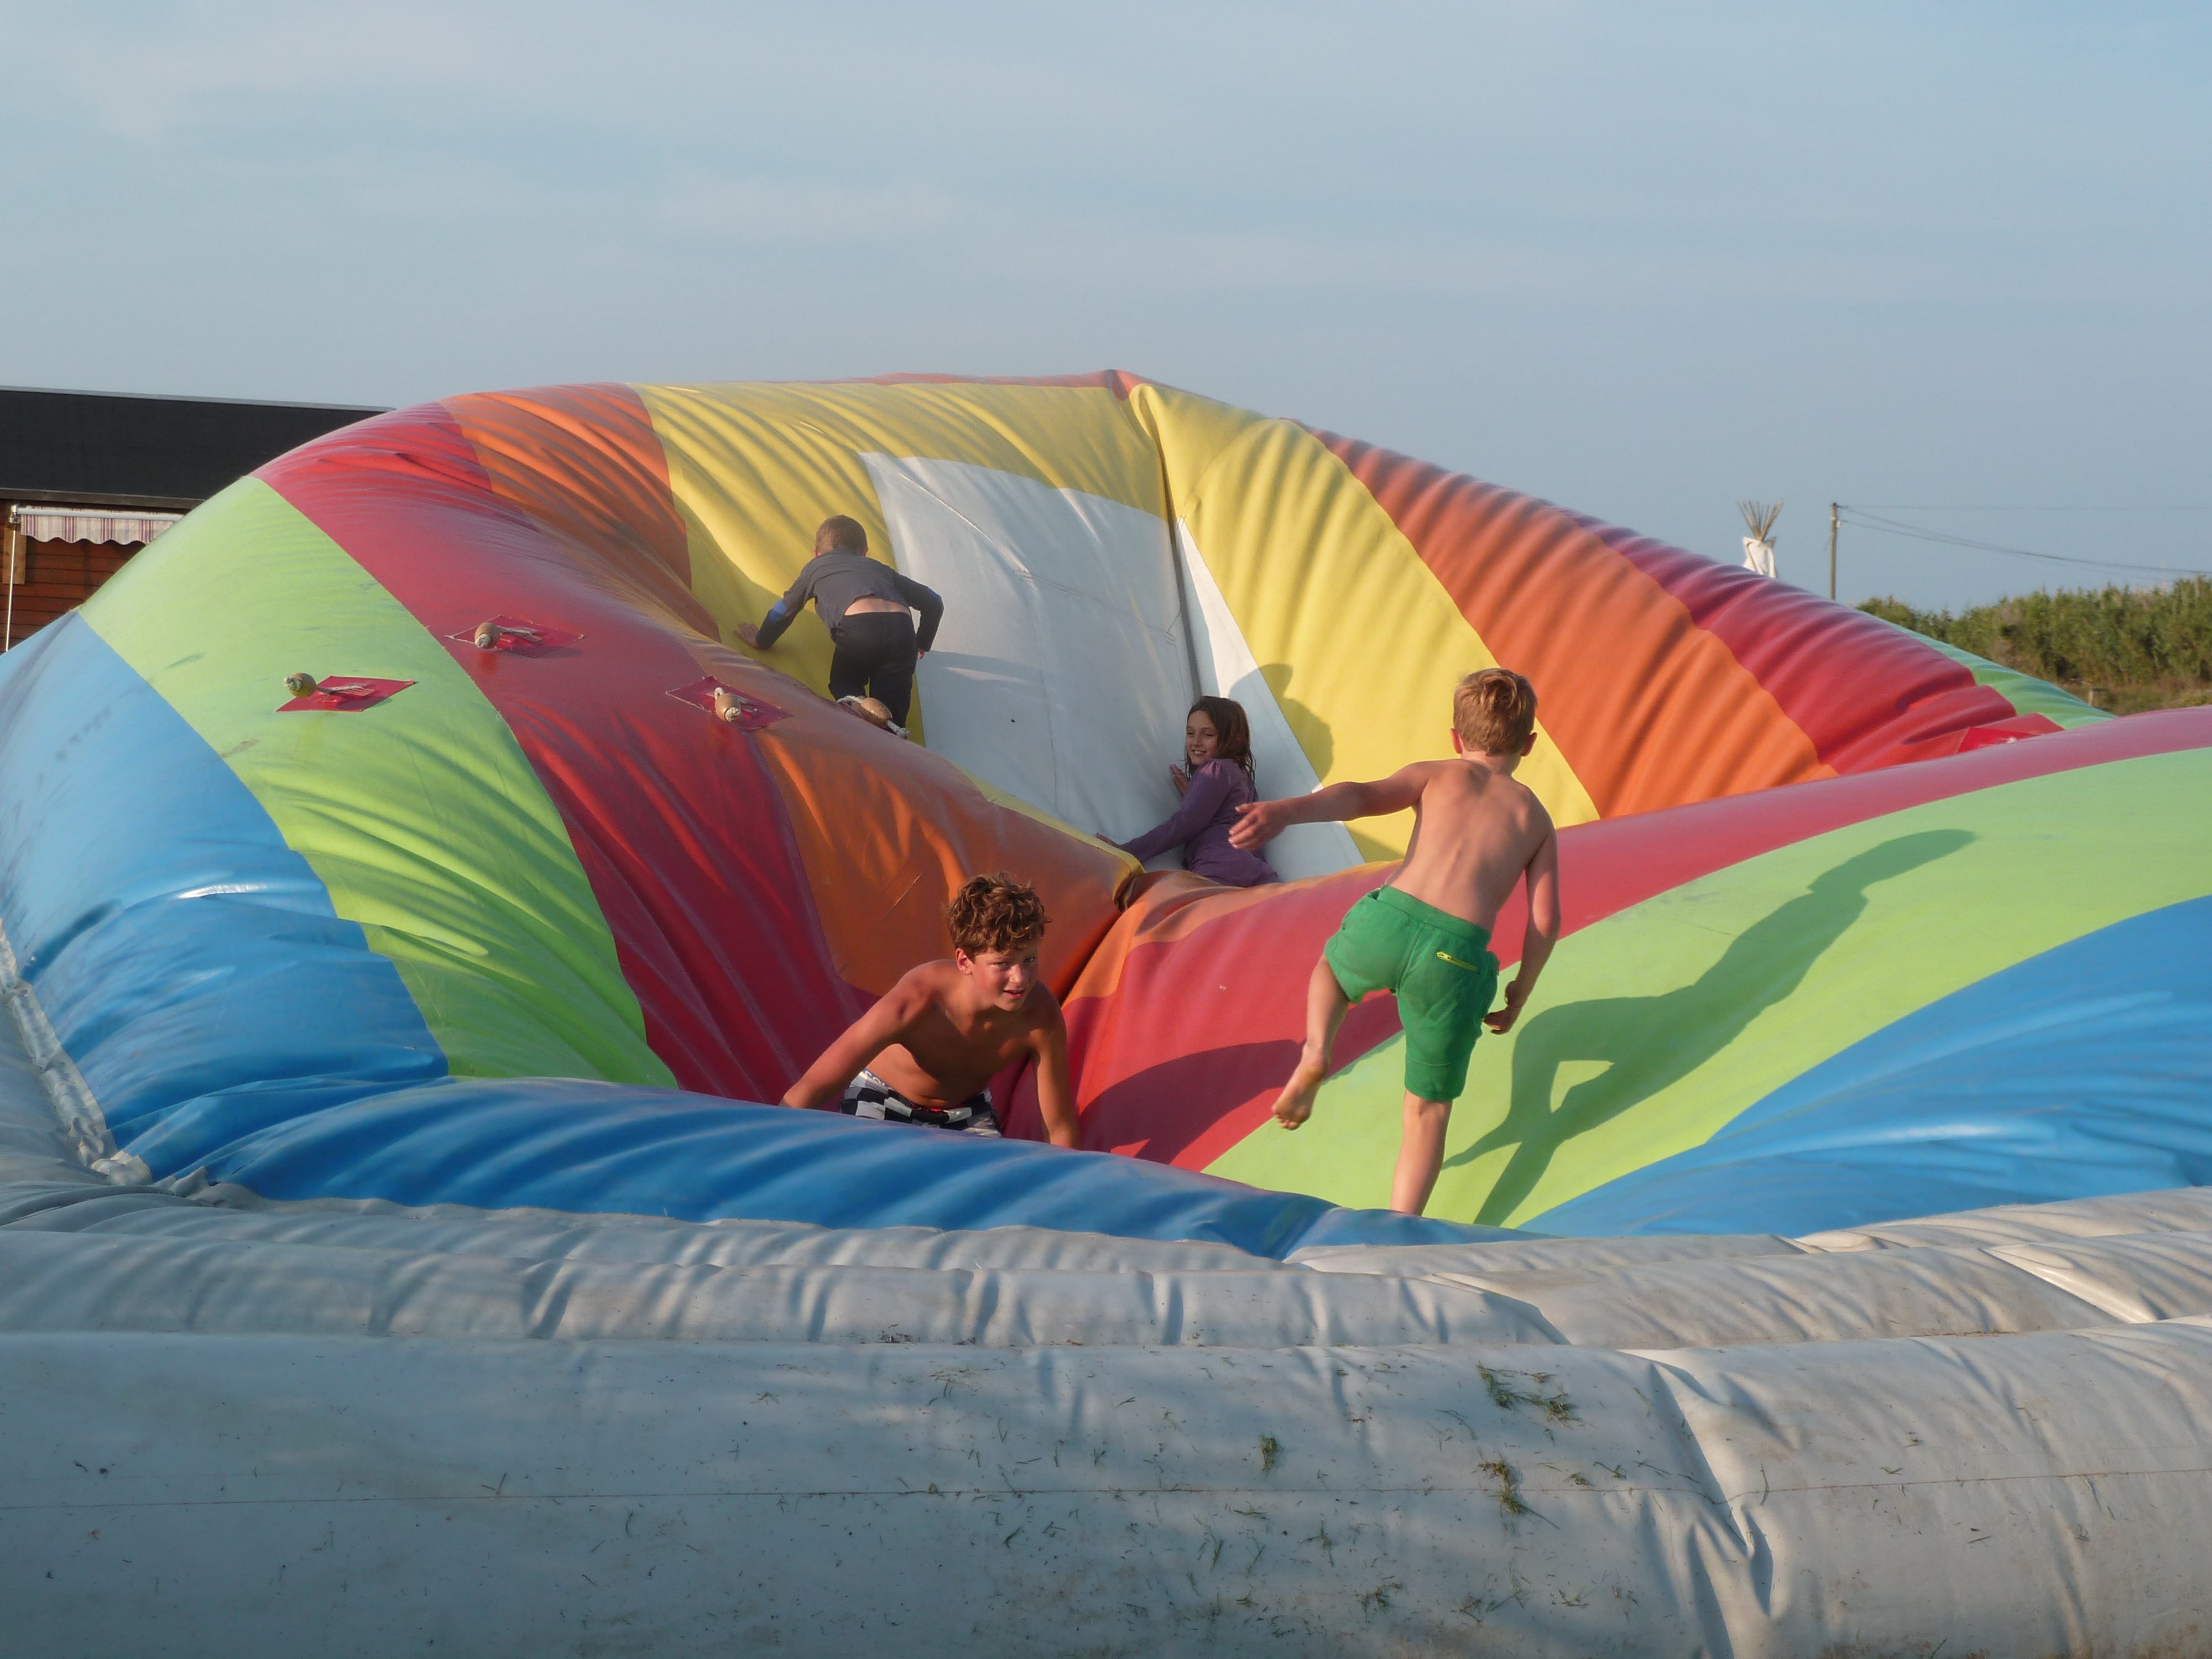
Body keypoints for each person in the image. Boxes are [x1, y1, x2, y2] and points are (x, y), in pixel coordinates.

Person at [1228, 668, 1561, 1215]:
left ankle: (1316, 1050)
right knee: (1427, 1112)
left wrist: (1286, 811)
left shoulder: (1437, 775)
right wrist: (1520, 990)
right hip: (1455, 957)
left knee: (1331, 973)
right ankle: (1398, 1228)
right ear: (1529, 743)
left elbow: (1360, 797)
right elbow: (1545, 919)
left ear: (1456, 739)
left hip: (1390, 920)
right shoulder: (1536, 818)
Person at [779, 874, 1081, 1147]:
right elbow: (814, 1085)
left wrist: (1070, 1197)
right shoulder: (921, 997)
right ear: (964, 962)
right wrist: (771, 1143)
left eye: (1030, 960)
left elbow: (1059, 1128)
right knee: (863, 1177)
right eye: (1002, 964)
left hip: (966, 1113)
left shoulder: (1040, 1015)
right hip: (883, 1098)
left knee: (990, 1193)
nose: (1020, 978)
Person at [737, 515, 943, 733]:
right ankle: (891, 734)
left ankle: (859, 704)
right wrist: (921, 643)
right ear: (864, 551)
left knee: (844, 683)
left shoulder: (816, 567)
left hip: (859, 627)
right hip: (902, 632)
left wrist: (762, 640)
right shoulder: (880, 569)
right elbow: (934, 602)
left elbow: (783, 610)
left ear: (816, 554)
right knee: (892, 711)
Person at [1112, 697, 1281, 889]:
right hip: (1257, 870)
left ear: (1236, 741)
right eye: (1190, 733)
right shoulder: (1242, 776)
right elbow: (1230, 817)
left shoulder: (1215, 769)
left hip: (1220, 865)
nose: (1196, 742)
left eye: (1208, 734)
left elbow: (1183, 824)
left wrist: (1127, 853)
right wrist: (1194, 792)